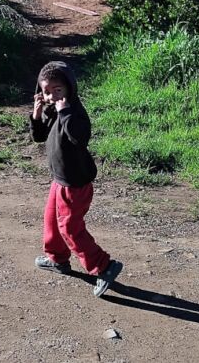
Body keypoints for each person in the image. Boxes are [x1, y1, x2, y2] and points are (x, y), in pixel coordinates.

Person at [30, 60, 123, 297]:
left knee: (70, 228)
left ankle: (104, 266)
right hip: (59, 180)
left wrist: (65, 112)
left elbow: (79, 138)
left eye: (57, 90)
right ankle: (57, 259)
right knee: (51, 221)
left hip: (75, 184)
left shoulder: (75, 112)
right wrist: (37, 115)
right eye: (46, 91)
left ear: (69, 89)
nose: (51, 96)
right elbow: (39, 137)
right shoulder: (53, 110)